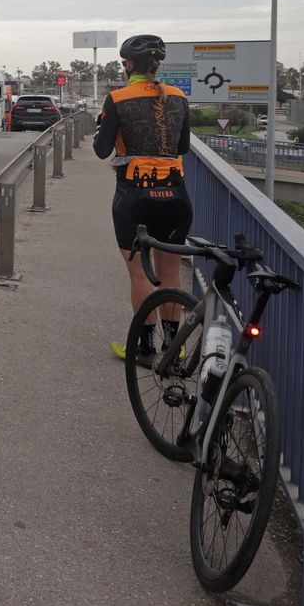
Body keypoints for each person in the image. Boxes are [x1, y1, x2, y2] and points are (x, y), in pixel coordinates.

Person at [95, 34, 193, 362]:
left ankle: (146, 347)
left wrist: (103, 126)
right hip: (176, 196)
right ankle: (174, 349)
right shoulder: (178, 96)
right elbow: (182, 148)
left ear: (128, 64)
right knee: (171, 272)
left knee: (139, 273)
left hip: (136, 196)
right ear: (158, 64)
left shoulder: (118, 98)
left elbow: (101, 150)